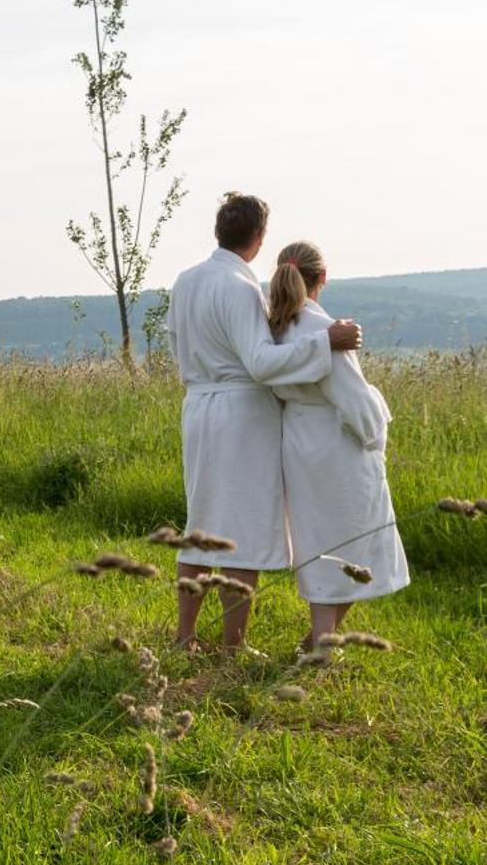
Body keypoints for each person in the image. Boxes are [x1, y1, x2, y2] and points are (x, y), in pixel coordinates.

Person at [166, 193, 362, 650]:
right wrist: (324, 343)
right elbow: (259, 362)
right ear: (258, 238)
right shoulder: (240, 287)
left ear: (220, 231)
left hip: (197, 406)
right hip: (241, 413)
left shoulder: (185, 280)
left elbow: (179, 348)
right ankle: (233, 643)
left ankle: (185, 636)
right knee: (241, 528)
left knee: (201, 522)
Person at [266, 241, 409, 646]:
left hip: (298, 444)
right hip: (336, 447)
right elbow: (354, 399)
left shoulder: (276, 329)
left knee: (317, 539)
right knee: (355, 541)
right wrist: (375, 435)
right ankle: (321, 641)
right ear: (322, 278)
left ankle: (318, 640)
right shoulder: (324, 332)